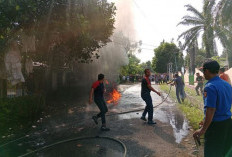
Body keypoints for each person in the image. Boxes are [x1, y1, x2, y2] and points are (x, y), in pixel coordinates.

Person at [193, 60, 232, 157]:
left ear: (206, 71)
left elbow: (211, 110)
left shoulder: (210, 87)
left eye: (203, 71)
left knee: (212, 152)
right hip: (227, 123)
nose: (203, 74)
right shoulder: (227, 84)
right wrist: (205, 121)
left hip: (215, 127)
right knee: (224, 151)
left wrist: (202, 129)